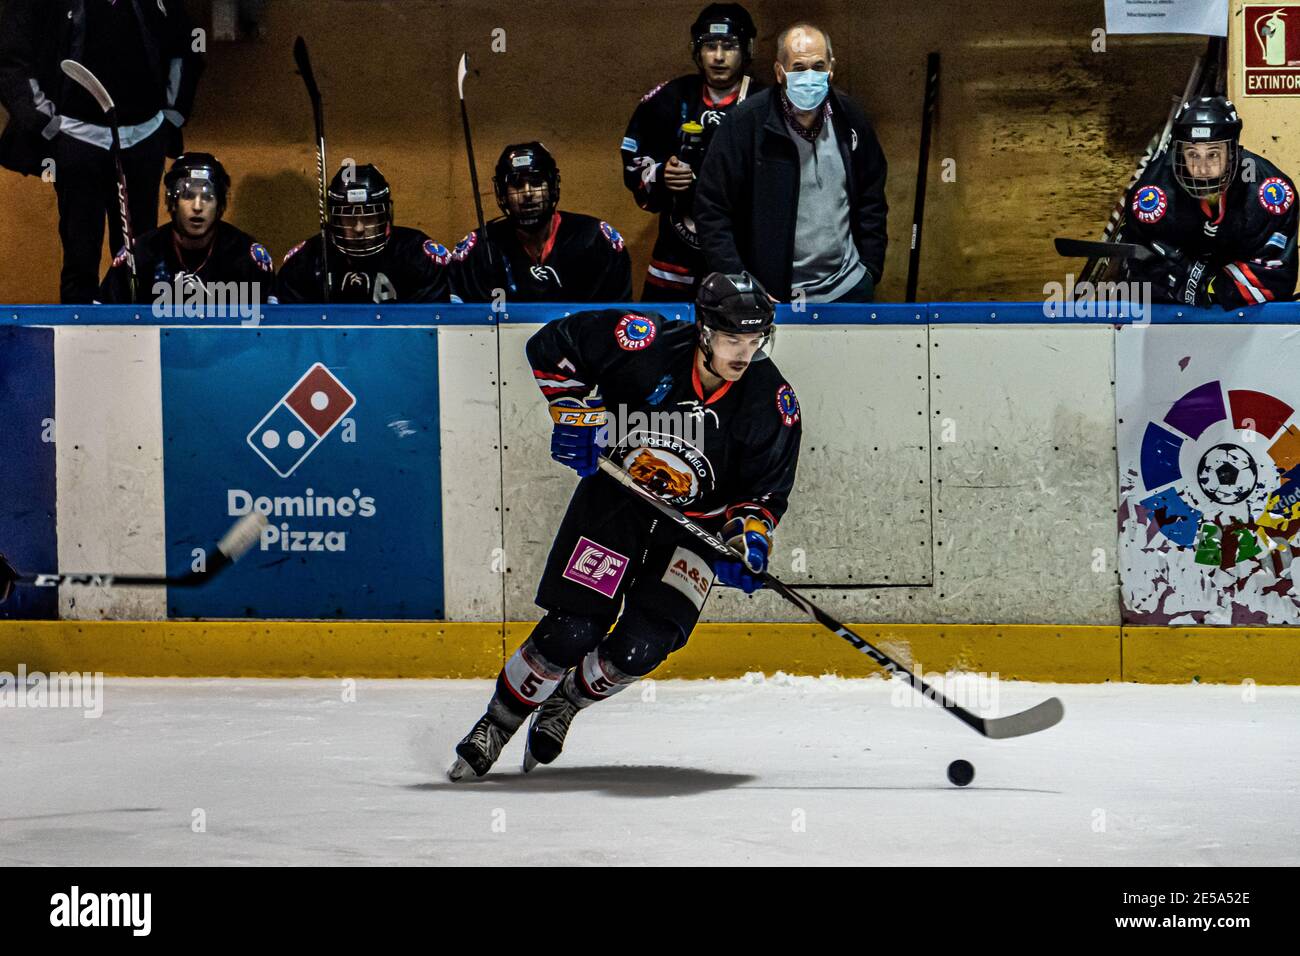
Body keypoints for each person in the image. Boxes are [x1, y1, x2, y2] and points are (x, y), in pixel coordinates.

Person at [448, 272, 802, 780]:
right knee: (572, 630)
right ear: (704, 330)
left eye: (753, 340)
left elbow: (764, 494)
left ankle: (565, 704)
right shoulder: (643, 342)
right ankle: (498, 723)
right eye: (731, 340)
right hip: (617, 502)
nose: (743, 354)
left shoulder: (773, 404)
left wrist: (748, 537)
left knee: (643, 644)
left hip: (691, 529)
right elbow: (551, 346)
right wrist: (574, 413)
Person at [0, 0, 204, 303]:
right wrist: (44, 121)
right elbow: (11, 55)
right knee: (80, 259)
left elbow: (188, 45)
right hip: (76, 137)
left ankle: (139, 344)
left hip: (144, 137)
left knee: (139, 258)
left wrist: (172, 115)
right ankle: (80, 343)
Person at [694, 22, 887, 304]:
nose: (809, 76)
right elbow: (711, 208)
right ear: (779, 72)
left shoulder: (850, 118)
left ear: (831, 69)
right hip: (771, 296)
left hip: (847, 289)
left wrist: (870, 268)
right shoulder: (745, 124)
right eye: (798, 68)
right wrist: (740, 283)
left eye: (818, 66)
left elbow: (872, 195)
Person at [621, 3, 761, 300]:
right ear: (697, 51)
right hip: (675, 262)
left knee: (739, 340)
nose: (719, 56)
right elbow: (633, 158)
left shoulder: (765, 104)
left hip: (744, 259)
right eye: (710, 46)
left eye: (730, 46)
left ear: (747, 49)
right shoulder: (669, 98)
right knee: (666, 339)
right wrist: (660, 174)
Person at [1120, 95, 1297, 307]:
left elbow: (1275, 276)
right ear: (1179, 152)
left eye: (1213, 154)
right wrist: (1163, 278)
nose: (1202, 168)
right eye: (1193, 154)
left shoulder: (1269, 192)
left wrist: (1207, 285)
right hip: (1172, 322)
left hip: (1248, 325)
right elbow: (1136, 273)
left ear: (1231, 151)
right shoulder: (1152, 193)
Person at [449, 142, 633, 303]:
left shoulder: (595, 240)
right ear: (503, 194)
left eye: (536, 183)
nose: (528, 193)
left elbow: (613, 318)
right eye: (517, 185)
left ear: (552, 187)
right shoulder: (480, 249)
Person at [98, 152, 274, 305]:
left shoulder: (247, 258)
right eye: (188, 196)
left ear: (220, 205)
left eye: (208, 197)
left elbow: (276, 330)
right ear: (172, 202)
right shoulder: (139, 256)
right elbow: (101, 325)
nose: (197, 206)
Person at [277, 163, 452, 303]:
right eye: (349, 217)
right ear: (335, 219)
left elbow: (433, 328)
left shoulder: (417, 255)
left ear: (385, 214)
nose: (359, 228)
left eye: (369, 217)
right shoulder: (306, 260)